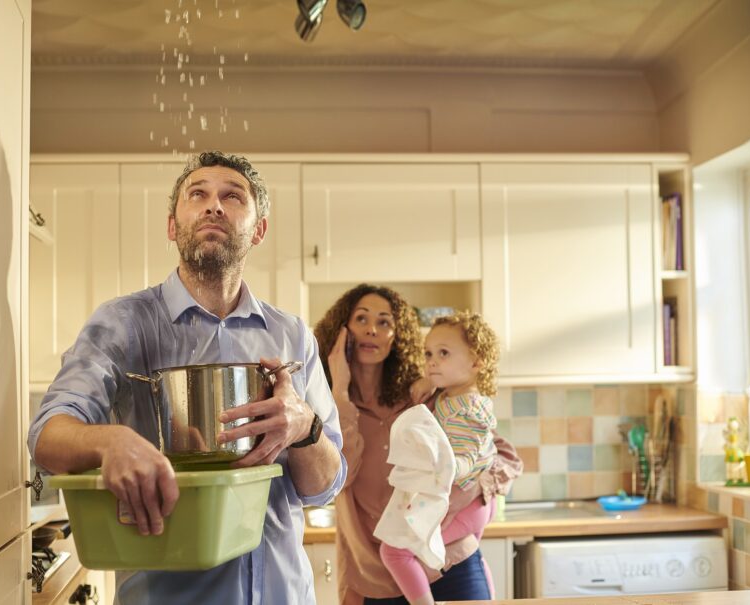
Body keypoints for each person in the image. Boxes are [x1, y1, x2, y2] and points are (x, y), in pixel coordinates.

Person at [28, 151, 345, 604]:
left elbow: (324, 488)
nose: (214, 205)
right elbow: (46, 436)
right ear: (172, 226)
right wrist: (112, 441)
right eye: (198, 194)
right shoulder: (124, 323)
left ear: (258, 230)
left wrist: (305, 427)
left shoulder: (292, 335)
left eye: (233, 196)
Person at [313, 286, 522, 605]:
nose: (372, 329)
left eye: (384, 322)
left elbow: (501, 455)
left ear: (397, 335)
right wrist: (340, 390)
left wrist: (466, 497)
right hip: (374, 576)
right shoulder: (325, 407)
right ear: (341, 330)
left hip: (449, 562)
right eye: (361, 319)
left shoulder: (422, 396)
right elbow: (337, 478)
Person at [378, 311, 500, 605]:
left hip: (467, 502)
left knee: (394, 551)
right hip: (471, 502)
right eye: (429, 353)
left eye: (443, 353)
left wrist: (450, 468)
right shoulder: (451, 398)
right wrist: (429, 383)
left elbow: (467, 456)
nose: (432, 361)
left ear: (476, 362)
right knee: (458, 551)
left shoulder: (467, 409)